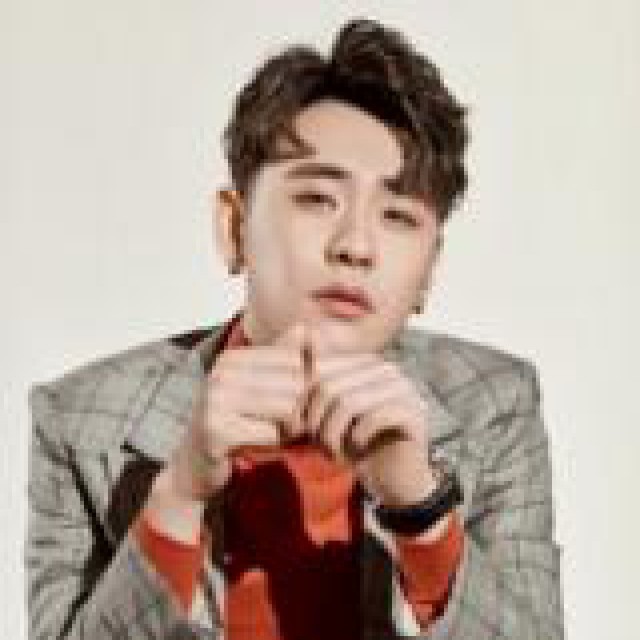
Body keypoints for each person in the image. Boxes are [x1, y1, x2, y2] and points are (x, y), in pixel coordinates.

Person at [26, 17, 565, 640]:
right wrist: (179, 494)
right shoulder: (80, 421)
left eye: (397, 215)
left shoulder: (495, 405)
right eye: (316, 199)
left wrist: (422, 509)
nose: (356, 245)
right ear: (234, 229)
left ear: (429, 270)